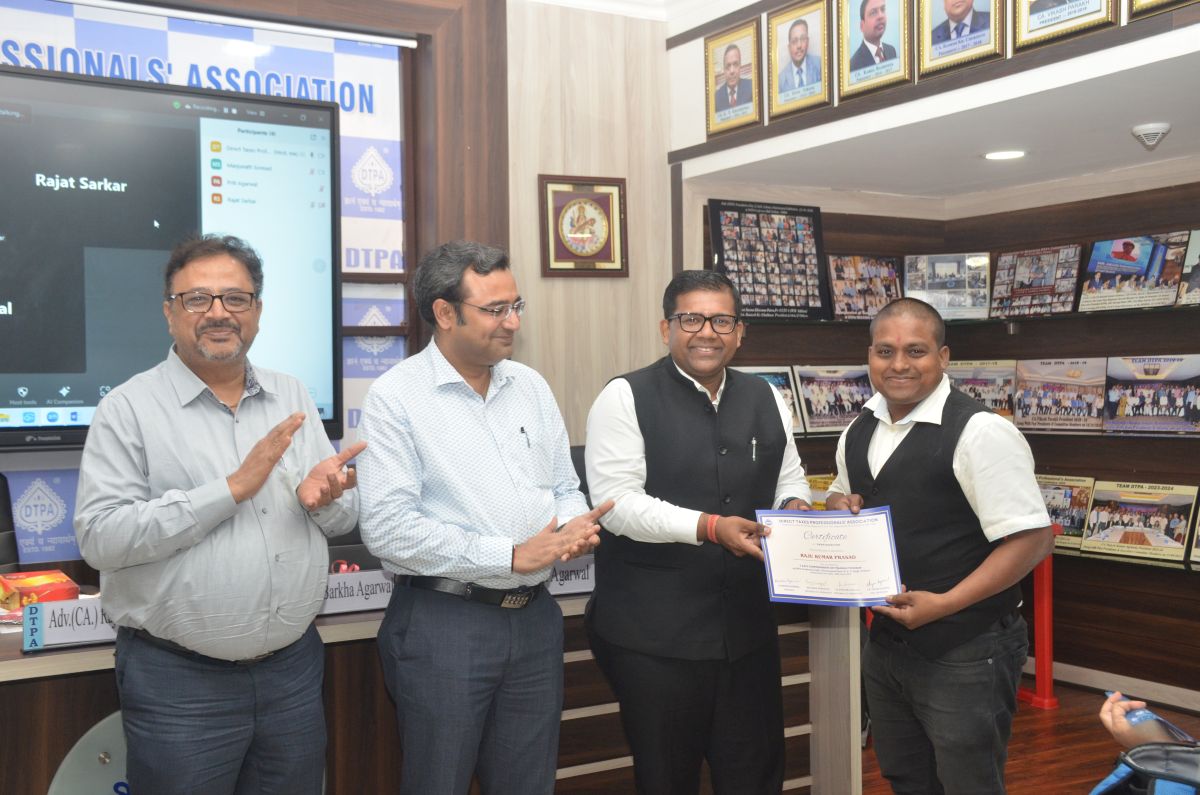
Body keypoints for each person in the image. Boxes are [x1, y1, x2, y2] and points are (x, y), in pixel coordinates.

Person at [74, 235, 363, 795]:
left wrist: (327, 501)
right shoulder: (127, 408)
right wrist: (229, 490)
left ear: (257, 310)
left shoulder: (291, 394)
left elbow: (338, 517)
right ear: (169, 312)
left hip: (292, 673)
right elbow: (101, 537)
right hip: (179, 683)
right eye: (197, 299)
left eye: (235, 298)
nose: (218, 313)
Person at [356, 240, 612, 795]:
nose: (513, 322)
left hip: (536, 620)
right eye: (495, 310)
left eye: (516, 305)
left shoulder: (531, 386)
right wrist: (511, 556)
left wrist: (573, 528)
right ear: (445, 313)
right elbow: (388, 528)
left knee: (528, 783)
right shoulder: (396, 397)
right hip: (445, 624)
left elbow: (563, 486)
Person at [584, 270, 812, 794]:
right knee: (667, 780)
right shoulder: (625, 396)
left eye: (721, 320)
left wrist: (794, 507)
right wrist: (708, 527)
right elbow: (617, 506)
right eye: (691, 319)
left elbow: (788, 477)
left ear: (740, 332)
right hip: (655, 639)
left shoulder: (766, 396)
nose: (707, 332)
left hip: (747, 632)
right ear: (666, 328)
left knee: (755, 777)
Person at [826, 297, 1053, 794]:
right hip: (887, 644)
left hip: (968, 647)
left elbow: (1033, 540)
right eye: (885, 351)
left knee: (968, 784)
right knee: (906, 778)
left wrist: (945, 604)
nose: (899, 364)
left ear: (943, 357)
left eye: (916, 351)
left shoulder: (981, 432)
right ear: (869, 356)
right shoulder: (857, 429)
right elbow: (842, 494)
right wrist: (839, 503)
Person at [849, 0, 897, 72]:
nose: (881, 16)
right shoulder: (853, 65)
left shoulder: (891, 50)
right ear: (862, 26)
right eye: (873, 13)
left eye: (883, 9)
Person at [777, 18, 822, 93]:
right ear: (789, 47)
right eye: (794, 41)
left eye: (803, 39)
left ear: (808, 42)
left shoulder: (820, 65)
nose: (799, 45)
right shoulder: (780, 80)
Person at [714, 43, 753, 112]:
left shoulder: (752, 87)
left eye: (735, 64)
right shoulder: (716, 98)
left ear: (740, 66)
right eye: (728, 66)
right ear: (724, 70)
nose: (732, 71)